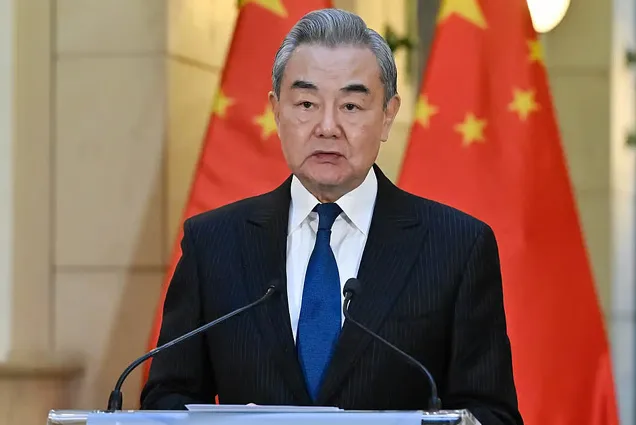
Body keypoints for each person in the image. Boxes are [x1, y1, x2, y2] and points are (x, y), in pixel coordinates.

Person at [140, 8, 523, 425]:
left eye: (351, 106)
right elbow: (166, 397)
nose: (327, 127)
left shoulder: (456, 247)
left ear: (388, 115)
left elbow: (492, 413)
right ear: (276, 111)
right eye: (306, 103)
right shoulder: (214, 243)